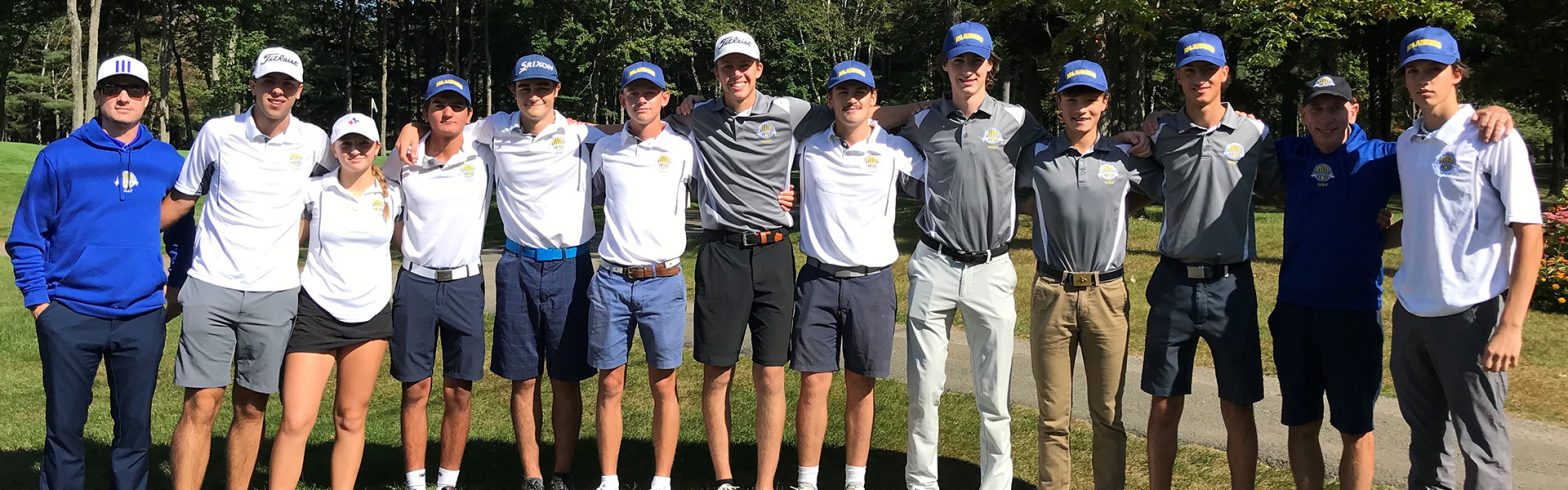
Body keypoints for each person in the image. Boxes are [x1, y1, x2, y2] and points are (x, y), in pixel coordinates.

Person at [668, 30, 915, 490]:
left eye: (744, 65)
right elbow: (643, 123)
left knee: (771, 374)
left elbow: (860, 112)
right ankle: (724, 479)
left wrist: (931, 107)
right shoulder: (698, 116)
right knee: (717, 373)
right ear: (716, 72)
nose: (736, 73)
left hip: (775, 254)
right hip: (721, 252)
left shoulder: (790, 111)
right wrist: (586, 129)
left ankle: (765, 483)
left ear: (759, 69)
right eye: (727, 66)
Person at [7, 54, 194, 490]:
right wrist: (40, 304)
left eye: (133, 90)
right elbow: (28, 236)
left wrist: (174, 292)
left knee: (134, 431)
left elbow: (184, 235)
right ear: (97, 95)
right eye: (112, 88)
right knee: (64, 429)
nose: (122, 97)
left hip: (141, 314)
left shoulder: (167, 160)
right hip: (70, 311)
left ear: (147, 99)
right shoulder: (60, 157)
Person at [160, 46, 331, 490]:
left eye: (287, 85)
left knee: (252, 407)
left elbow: (347, 182)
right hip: (211, 284)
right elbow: (182, 198)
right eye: (269, 82)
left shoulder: (315, 141)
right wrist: (124, 238)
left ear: (299, 92)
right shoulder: (218, 132)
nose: (277, 91)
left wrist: (409, 131)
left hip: (275, 292)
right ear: (253, 85)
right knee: (201, 403)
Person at [1389, 26, 1542, 490]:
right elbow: (1427, 217)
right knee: (1425, 446)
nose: (1424, 80)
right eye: (1413, 71)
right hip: (1412, 314)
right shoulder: (1406, 143)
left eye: (1434, 69)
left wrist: (1511, 325)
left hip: (1471, 315)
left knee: (1483, 449)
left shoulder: (1493, 137)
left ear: (1457, 74)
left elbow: (1529, 232)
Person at [897, 22, 1045, 490]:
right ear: (945, 66)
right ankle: (922, 482)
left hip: (991, 267)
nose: (967, 69)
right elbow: (865, 123)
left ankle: (995, 483)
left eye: (976, 61)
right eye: (958, 60)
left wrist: (1150, 126)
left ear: (990, 66)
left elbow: (1067, 149)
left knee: (994, 395)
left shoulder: (1016, 120)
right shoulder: (924, 121)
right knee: (924, 390)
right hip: (934, 263)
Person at [1137, 31, 1280, 490]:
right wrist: (1141, 128)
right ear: (1178, 77)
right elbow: (1130, 161)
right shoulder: (1162, 133)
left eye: (1208, 70)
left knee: (1237, 406)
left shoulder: (1254, 133)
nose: (1200, 79)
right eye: (1190, 70)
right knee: (1163, 404)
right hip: (1173, 282)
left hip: (1230, 285)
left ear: (1225, 74)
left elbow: (1293, 184)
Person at [1018, 59, 1161, 490]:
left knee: (1108, 414)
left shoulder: (1124, 156)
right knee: (1053, 417)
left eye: (1089, 99)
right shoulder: (1038, 157)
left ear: (1104, 103)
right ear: (1059, 104)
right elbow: (1009, 192)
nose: (1080, 107)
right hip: (1052, 291)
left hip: (1107, 294)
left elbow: (1160, 183)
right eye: (1072, 98)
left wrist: (1148, 134)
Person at [789, 61, 924, 490]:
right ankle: (806, 481)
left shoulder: (895, 150)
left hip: (872, 283)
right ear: (830, 99)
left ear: (873, 100)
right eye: (843, 93)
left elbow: (942, 183)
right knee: (813, 384)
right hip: (818, 280)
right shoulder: (808, 148)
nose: (852, 100)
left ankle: (855, 481)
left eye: (860, 93)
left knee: (860, 386)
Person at [266, 113, 399, 490]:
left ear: (376, 148)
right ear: (334, 149)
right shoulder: (314, 190)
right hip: (316, 313)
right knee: (296, 420)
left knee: (351, 418)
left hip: (371, 316)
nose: (354, 150)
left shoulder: (393, 194)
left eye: (363, 144)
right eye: (346, 144)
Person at [586, 61, 695, 490]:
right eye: (633, 93)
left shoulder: (684, 149)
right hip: (612, 280)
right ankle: (608, 479)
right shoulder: (604, 149)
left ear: (664, 98)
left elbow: (716, 190)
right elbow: (590, 194)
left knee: (664, 384)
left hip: (663, 280)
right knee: (610, 383)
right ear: (623, 99)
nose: (641, 100)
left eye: (650, 92)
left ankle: (661, 479)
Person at [384, 75, 493, 490]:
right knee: (415, 388)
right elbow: (382, 204)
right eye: (438, 105)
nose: (448, 112)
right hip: (416, 283)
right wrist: (407, 132)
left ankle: (448, 481)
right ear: (426, 111)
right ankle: (415, 481)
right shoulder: (404, 157)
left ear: (469, 113)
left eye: (456, 105)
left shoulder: (484, 150)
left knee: (458, 391)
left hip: (464, 284)